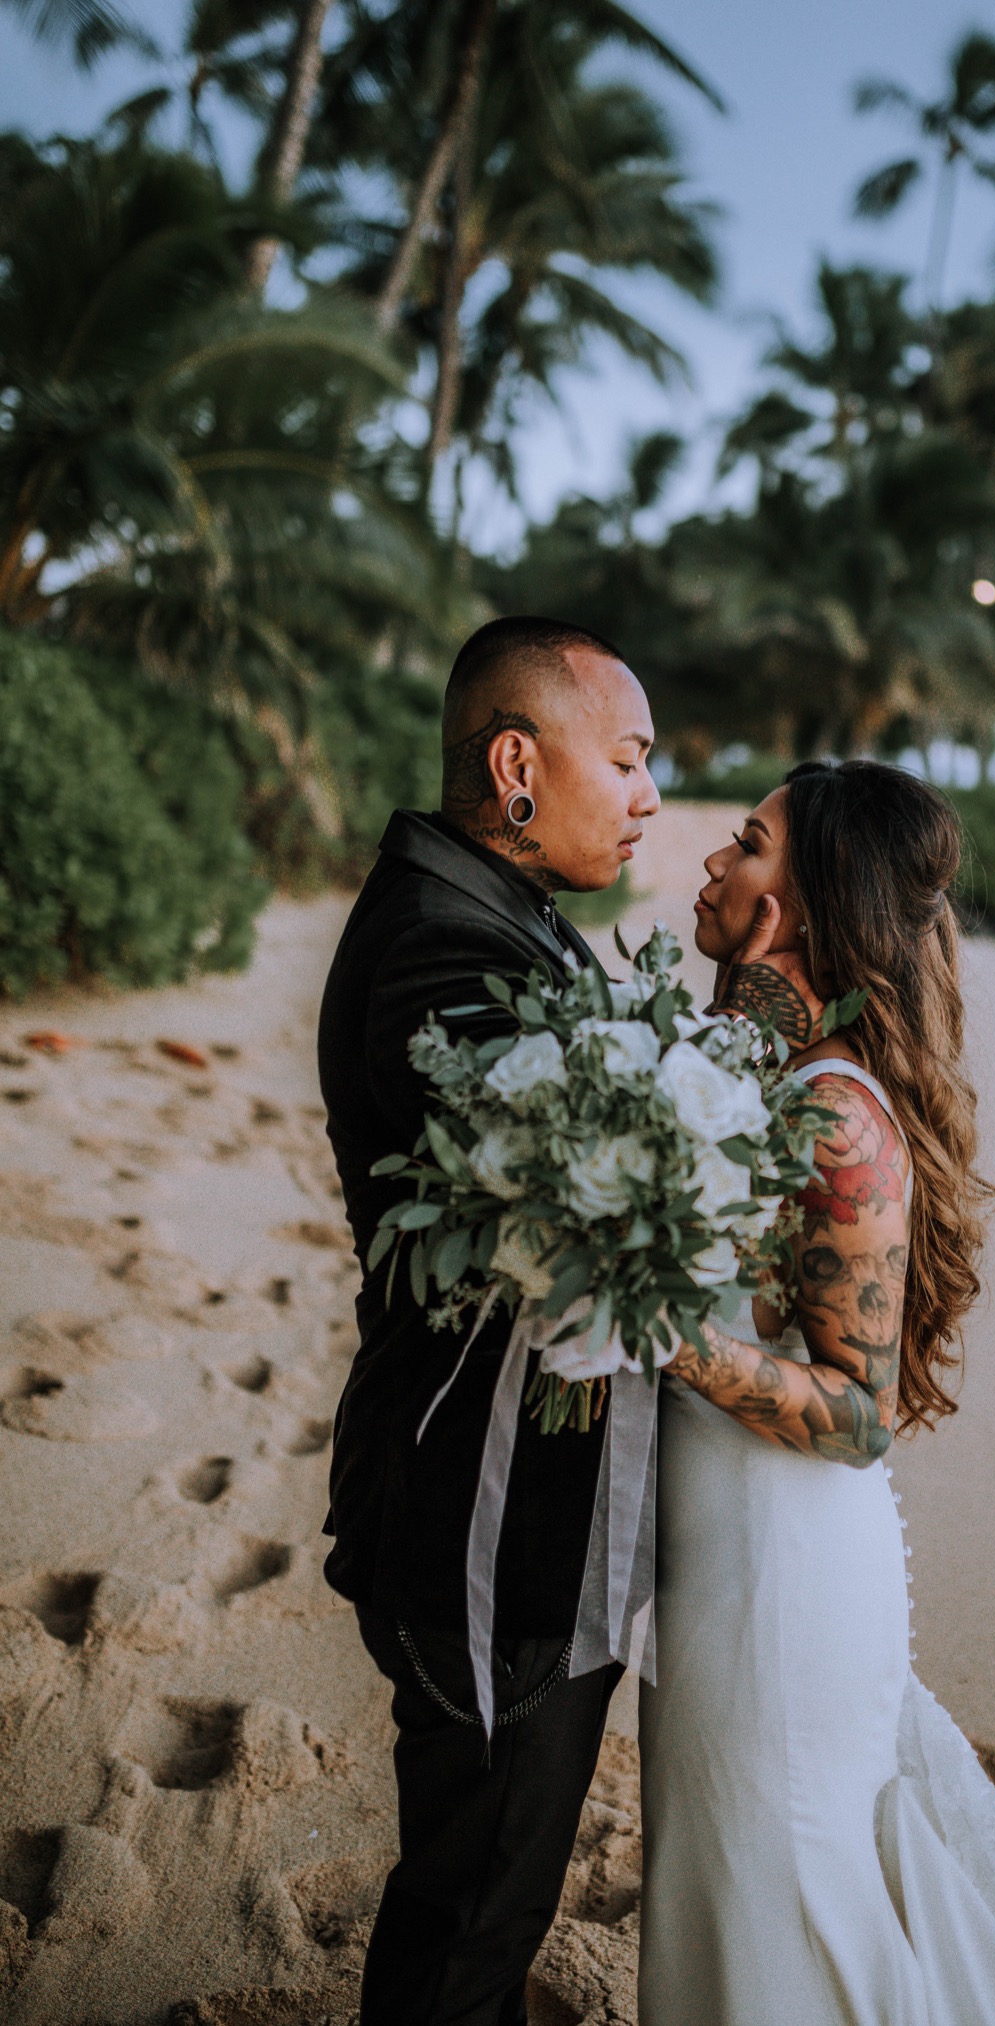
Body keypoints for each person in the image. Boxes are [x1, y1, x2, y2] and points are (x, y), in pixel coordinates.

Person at [640, 758, 995, 2026]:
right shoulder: (767, 1077)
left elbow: (861, 1408)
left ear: (810, 902)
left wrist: (655, 1331)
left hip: (777, 1589)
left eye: (750, 847)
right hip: (717, 1566)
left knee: (784, 1914)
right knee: (719, 1894)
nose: (713, 864)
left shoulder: (837, 1118)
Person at [317, 615, 659, 2026]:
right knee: (474, 1916)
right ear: (518, 765)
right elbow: (577, 1201)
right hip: (484, 1519)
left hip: (520, 1502)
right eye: (629, 759)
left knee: (491, 1893)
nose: (648, 796)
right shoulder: (433, 951)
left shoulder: (492, 913)